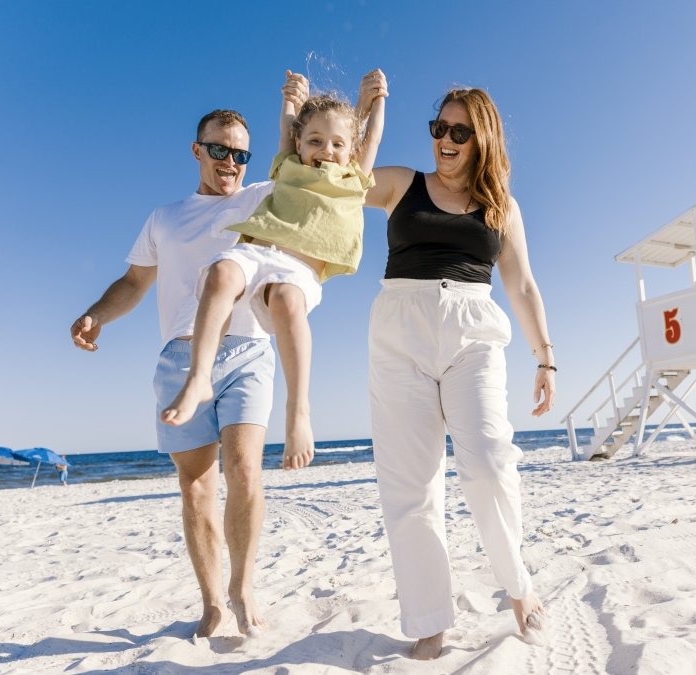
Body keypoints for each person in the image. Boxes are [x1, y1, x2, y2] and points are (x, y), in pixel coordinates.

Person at [69, 82, 309, 638]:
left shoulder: (263, 197)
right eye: (220, 149)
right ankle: (212, 603)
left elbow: (300, 155)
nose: (231, 162)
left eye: (241, 154)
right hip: (180, 360)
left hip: (248, 348)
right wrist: (96, 314)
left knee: (245, 469)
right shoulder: (165, 217)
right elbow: (134, 282)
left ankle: (243, 587)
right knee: (196, 488)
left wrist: (294, 108)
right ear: (197, 149)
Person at [363, 85, 553, 659]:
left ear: (482, 139)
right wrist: (370, 112)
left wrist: (544, 355)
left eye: (459, 132)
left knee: (490, 463)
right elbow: (343, 180)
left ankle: (517, 584)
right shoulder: (402, 184)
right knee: (411, 484)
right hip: (399, 332)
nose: (444, 140)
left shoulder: (502, 207)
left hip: (473, 331)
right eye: (438, 128)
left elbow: (522, 285)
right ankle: (430, 621)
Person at [161, 69, 387, 474]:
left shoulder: (354, 178)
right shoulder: (288, 165)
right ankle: (199, 376)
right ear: (299, 143)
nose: (326, 150)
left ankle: (298, 411)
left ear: (350, 149)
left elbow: (369, 137)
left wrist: (373, 101)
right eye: (314, 140)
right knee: (221, 273)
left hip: (299, 270)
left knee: (285, 300)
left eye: (337, 144)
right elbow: (287, 125)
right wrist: (289, 100)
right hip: (258, 250)